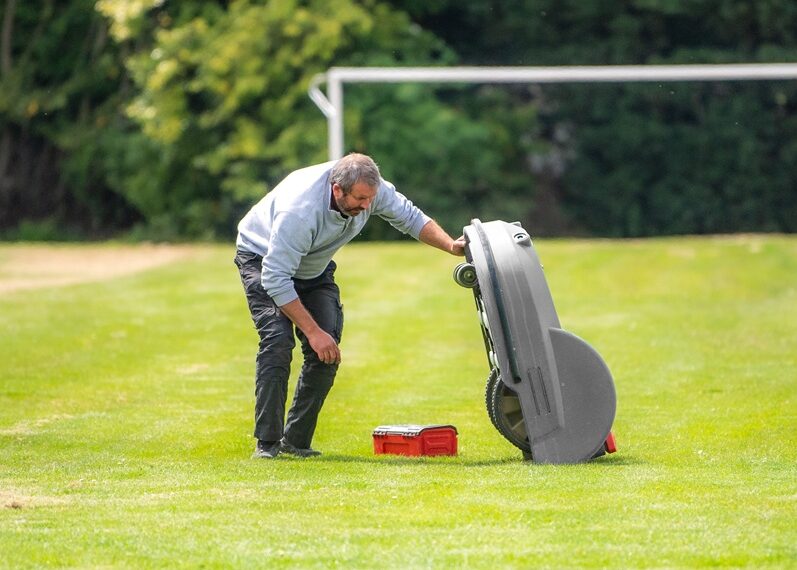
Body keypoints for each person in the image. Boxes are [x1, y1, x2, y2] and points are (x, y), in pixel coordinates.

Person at [235, 153, 465, 458]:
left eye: (371, 198)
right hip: (263, 258)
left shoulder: (371, 190)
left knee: (327, 351)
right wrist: (312, 331)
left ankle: (296, 441)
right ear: (337, 190)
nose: (367, 206)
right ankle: (267, 444)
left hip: (312, 266)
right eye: (360, 199)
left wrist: (450, 245)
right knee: (278, 341)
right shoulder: (300, 211)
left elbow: (409, 217)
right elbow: (276, 278)